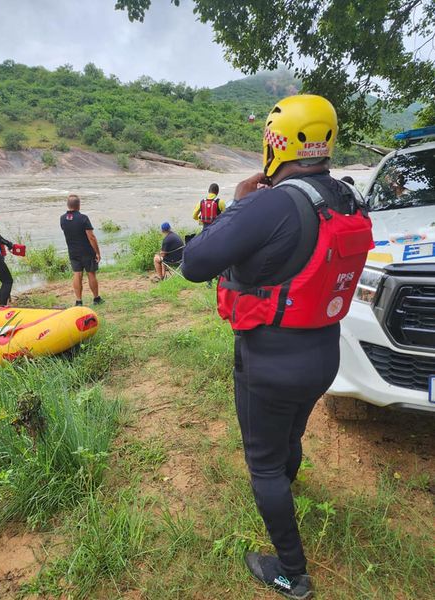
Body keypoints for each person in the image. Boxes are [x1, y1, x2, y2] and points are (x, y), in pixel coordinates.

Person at [182, 95, 373, 599]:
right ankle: (283, 491)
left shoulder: (269, 202)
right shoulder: (350, 197)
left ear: (275, 142)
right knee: (290, 435)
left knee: (262, 462)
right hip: (323, 357)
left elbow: (195, 262)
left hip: (269, 361)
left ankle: (293, 572)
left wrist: (241, 202)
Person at [60, 194, 103, 306]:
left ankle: (78, 301)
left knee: (77, 274)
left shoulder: (62, 219)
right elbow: (91, 237)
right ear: (79, 205)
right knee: (91, 274)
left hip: (73, 252)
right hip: (87, 251)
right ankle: (96, 298)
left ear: (68, 205)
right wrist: (97, 252)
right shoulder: (83, 218)